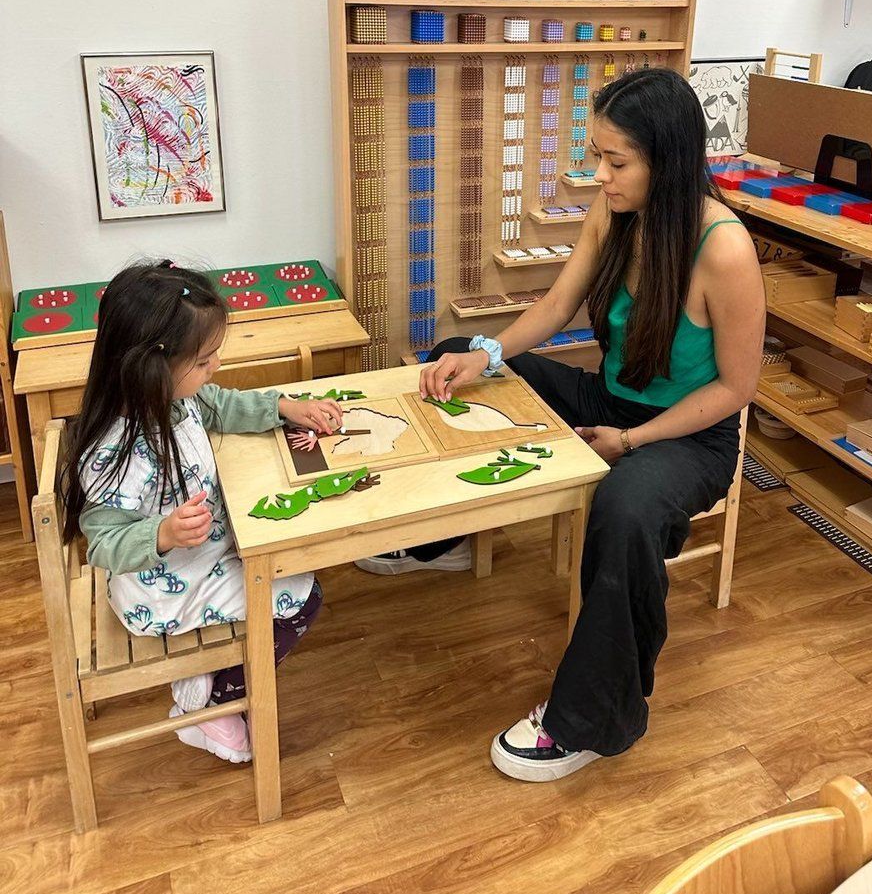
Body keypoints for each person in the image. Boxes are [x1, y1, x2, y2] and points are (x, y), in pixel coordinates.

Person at [360, 68, 765, 780]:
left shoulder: (724, 249)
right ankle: (443, 542)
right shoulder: (613, 215)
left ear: (666, 160)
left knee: (627, 503)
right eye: (597, 156)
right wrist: (484, 353)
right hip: (607, 402)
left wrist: (633, 442)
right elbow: (554, 307)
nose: (599, 175)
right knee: (449, 355)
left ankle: (591, 717)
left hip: (685, 435)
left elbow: (736, 387)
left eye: (616, 162)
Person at [58, 260, 344, 764]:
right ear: (152, 365)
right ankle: (215, 699)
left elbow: (216, 405)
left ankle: (216, 675)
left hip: (201, 560)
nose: (214, 367)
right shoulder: (115, 447)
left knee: (293, 563)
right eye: (204, 360)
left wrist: (283, 406)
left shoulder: (173, 397)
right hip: (159, 591)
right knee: (303, 597)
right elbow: (102, 544)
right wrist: (162, 532)